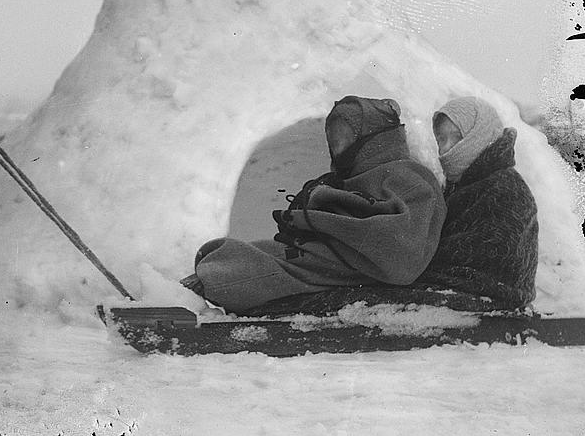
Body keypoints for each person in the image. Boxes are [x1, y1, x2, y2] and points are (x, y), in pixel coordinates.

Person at [182, 96, 447, 314]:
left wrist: (319, 218)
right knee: (243, 252)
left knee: (256, 268)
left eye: (346, 137)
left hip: (351, 266)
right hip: (329, 256)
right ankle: (190, 289)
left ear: (373, 138)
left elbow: (402, 253)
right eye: (333, 139)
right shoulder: (350, 177)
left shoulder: (409, 176)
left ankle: (188, 297)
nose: (338, 146)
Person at [415, 96, 539, 308]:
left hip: (496, 298)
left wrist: (417, 264)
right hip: (468, 293)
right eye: (441, 140)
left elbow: (493, 254)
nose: (445, 149)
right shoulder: (463, 184)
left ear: (479, 134)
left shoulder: (507, 187)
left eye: (456, 137)